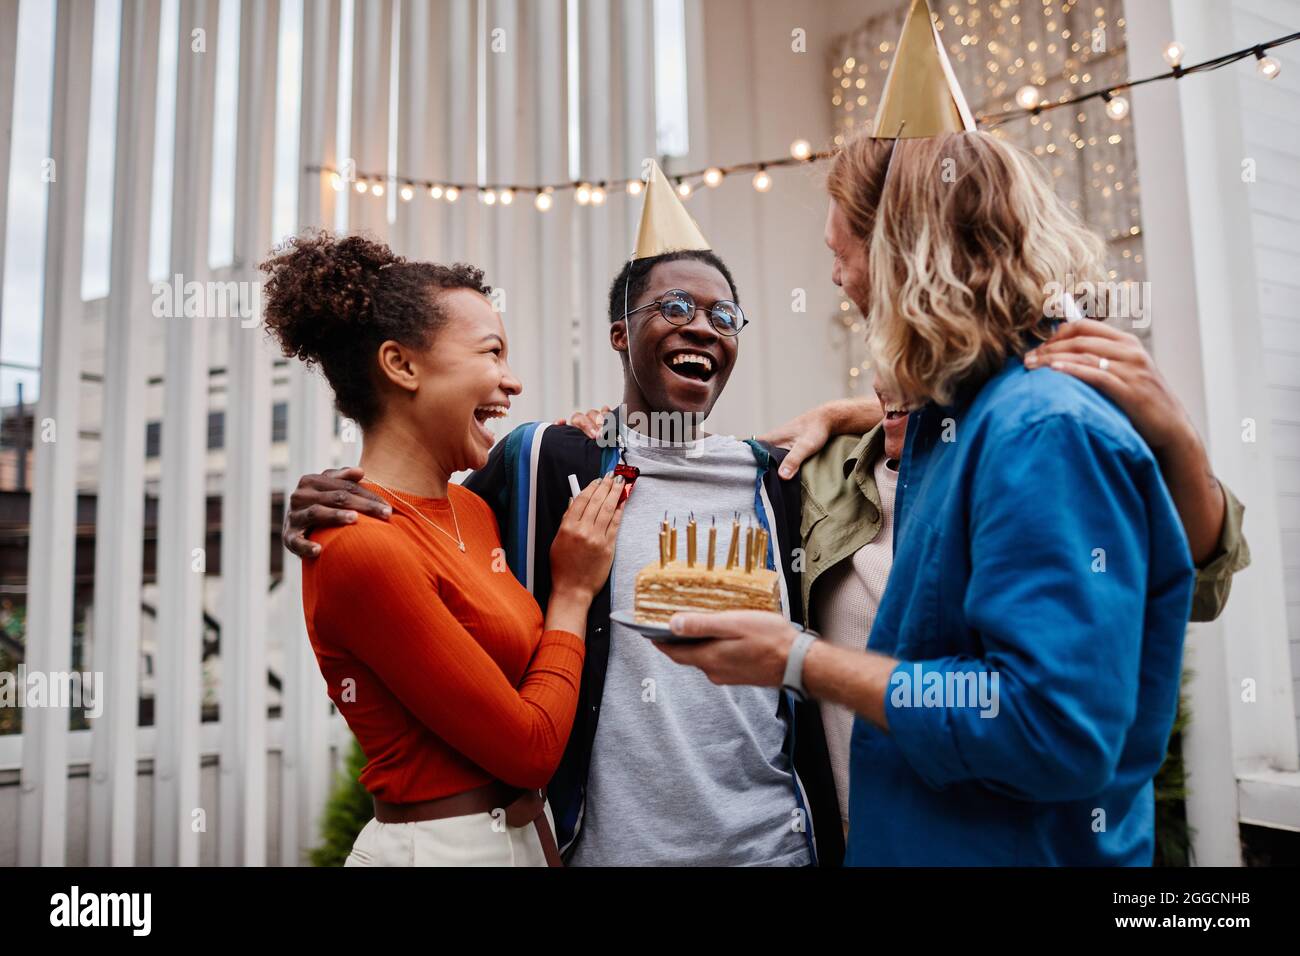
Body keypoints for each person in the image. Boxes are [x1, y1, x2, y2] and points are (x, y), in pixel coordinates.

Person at [281, 166, 859, 865]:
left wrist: (837, 410)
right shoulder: (544, 463)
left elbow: (916, 417)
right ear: (620, 335)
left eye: (725, 317)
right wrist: (315, 500)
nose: (702, 328)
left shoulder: (781, 476)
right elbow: (399, 509)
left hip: (771, 851)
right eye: (674, 308)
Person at [660, 127, 1199, 866]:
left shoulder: (1044, 431)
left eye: (838, 253)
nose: (837, 279)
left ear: (901, 252)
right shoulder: (955, 425)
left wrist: (802, 662)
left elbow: (1051, 728)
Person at [259, 231, 625, 866]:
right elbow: (531, 749)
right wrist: (571, 592)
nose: (513, 382)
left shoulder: (475, 510)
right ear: (402, 366)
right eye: (492, 352)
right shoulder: (356, 543)